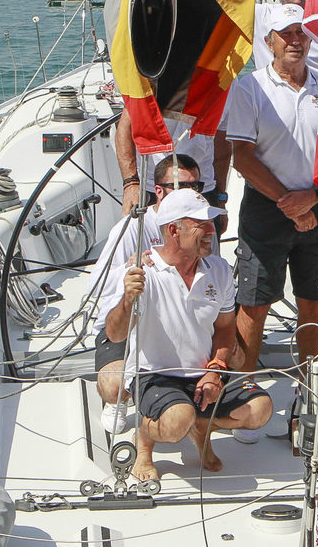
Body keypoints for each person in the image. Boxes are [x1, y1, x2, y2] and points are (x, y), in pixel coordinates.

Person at [104, 189, 273, 481]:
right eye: (201, 224)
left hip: (203, 371)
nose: (212, 230)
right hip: (157, 374)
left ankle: (200, 427)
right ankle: (144, 440)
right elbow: (115, 334)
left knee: (261, 410)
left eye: (211, 222)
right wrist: (127, 300)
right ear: (173, 230)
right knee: (175, 422)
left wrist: (216, 369)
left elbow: (224, 329)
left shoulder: (218, 269)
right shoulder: (141, 272)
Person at [225, 4, 318, 443]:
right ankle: (244, 397)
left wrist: (314, 198)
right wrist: (291, 203)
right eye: (284, 34)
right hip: (268, 210)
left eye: (300, 33)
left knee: (314, 303)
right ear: (267, 42)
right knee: (254, 304)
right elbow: (242, 157)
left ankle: (309, 392)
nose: (294, 40)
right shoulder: (249, 89)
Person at [92, 154, 207, 434]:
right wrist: (131, 271)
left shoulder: (199, 227)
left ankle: (194, 409)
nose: (189, 194)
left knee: (233, 353)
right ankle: (119, 401)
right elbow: (98, 288)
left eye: (196, 187)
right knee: (114, 384)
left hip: (177, 322)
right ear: (158, 191)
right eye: (180, 187)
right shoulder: (132, 228)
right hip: (131, 320)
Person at [115, 111, 231, 234]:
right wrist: (130, 184)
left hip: (203, 190)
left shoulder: (227, 92)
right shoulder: (152, 90)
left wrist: (221, 198)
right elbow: (124, 127)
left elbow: (222, 149)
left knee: (204, 249)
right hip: (154, 189)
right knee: (147, 249)